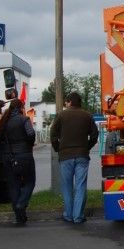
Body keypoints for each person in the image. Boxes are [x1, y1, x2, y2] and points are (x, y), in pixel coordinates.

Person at [50, 91, 98, 224]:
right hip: (82, 156)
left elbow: (53, 134)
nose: (65, 103)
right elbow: (94, 135)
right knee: (80, 186)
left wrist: (58, 148)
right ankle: (78, 216)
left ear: (70, 102)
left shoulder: (61, 115)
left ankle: (68, 215)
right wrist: (87, 147)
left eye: (66, 101)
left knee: (67, 186)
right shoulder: (87, 116)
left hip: (65, 156)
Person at [0, 97, 36, 225]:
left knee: (14, 186)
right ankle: (21, 203)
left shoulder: (2, 122)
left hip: (8, 159)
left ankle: (20, 217)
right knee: (30, 182)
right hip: (24, 156)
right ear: (21, 108)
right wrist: (28, 145)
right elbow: (30, 134)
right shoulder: (24, 120)